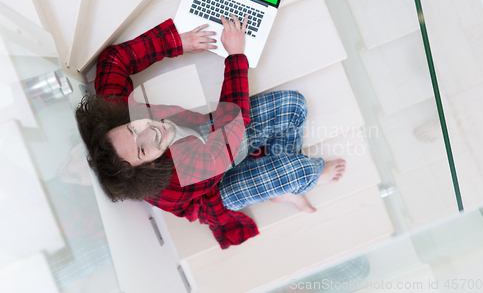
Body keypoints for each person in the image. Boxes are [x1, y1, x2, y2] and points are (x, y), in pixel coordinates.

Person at [75, 14, 346, 249]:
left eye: (134, 129)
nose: (151, 132)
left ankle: (279, 186)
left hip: (205, 138)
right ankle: (292, 184)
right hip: (214, 189)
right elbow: (229, 134)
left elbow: (114, 59)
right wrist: (237, 55)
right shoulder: (184, 174)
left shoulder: (116, 120)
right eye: (143, 150)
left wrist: (177, 42)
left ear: (121, 121)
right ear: (146, 167)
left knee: (294, 106)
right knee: (304, 171)